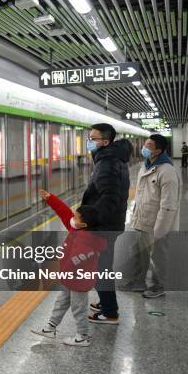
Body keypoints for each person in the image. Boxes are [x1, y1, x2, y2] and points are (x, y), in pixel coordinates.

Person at [31, 190, 106, 347]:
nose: (72, 218)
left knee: (78, 309)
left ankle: (82, 336)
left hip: (78, 281)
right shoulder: (77, 229)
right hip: (68, 278)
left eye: (76, 217)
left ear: (83, 224)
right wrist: (51, 199)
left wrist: (60, 270)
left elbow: (75, 261)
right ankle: (51, 327)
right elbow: (65, 213)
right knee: (61, 302)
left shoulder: (88, 241)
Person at [82, 123, 131, 324]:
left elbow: (109, 199)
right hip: (111, 224)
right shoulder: (114, 158)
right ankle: (106, 302)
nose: (89, 141)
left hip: (103, 226)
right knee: (103, 267)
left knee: (100, 268)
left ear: (105, 141)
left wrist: (87, 218)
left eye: (93, 138)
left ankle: (110, 313)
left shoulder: (107, 163)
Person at [127, 134, 180, 298]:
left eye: (148, 145)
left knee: (158, 255)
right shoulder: (146, 166)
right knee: (138, 252)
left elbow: (168, 205)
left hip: (157, 222)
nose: (144, 147)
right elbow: (142, 195)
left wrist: (161, 230)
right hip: (142, 219)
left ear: (158, 150)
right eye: (145, 144)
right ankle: (138, 282)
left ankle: (158, 286)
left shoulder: (167, 171)